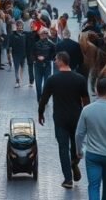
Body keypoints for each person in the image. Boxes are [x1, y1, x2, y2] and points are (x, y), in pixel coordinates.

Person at [38, 52, 90, 189]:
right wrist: (87, 117)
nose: (54, 62)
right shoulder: (80, 79)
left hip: (60, 119)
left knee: (63, 147)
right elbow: (86, 100)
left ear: (61, 61)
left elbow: (44, 98)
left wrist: (40, 113)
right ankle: (74, 161)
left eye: (56, 59)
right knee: (76, 145)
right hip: (77, 118)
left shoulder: (52, 79)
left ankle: (68, 179)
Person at [32, 28, 56, 100]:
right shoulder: (36, 44)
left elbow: (54, 55)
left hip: (47, 66)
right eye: (42, 34)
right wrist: (35, 59)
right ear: (40, 35)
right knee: (38, 83)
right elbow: (32, 54)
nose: (43, 35)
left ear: (47, 35)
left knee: (46, 83)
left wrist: (45, 58)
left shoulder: (51, 44)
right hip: (37, 66)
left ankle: (45, 98)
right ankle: (39, 98)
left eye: (45, 33)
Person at [8, 20, 28, 88]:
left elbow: (27, 45)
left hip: (23, 54)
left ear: (22, 26)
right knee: (16, 68)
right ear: (16, 26)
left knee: (22, 68)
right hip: (15, 54)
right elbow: (10, 45)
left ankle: (20, 80)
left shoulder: (25, 34)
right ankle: (17, 81)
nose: (19, 27)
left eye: (21, 25)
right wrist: (9, 55)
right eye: (18, 25)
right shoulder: (12, 35)